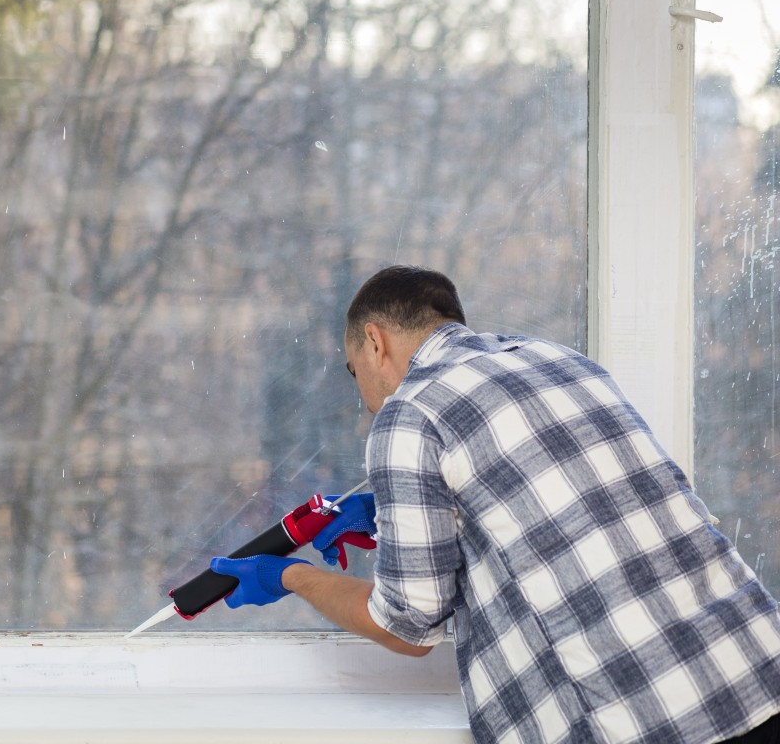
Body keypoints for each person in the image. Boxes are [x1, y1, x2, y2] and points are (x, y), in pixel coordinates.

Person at [210, 265, 780, 744]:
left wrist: (290, 577)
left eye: (354, 369)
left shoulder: (410, 414)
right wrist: (391, 519)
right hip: (755, 671)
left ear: (375, 341)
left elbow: (407, 627)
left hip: (644, 719)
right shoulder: (560, 362)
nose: (363, 398)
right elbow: (552, 517)